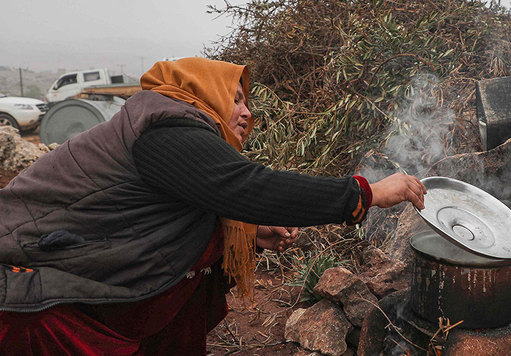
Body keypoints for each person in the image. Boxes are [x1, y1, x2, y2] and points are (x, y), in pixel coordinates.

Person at [0, 57, 426, 355]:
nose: (246, 113)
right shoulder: (165, 128)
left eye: (247, 102)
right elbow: (246, 187)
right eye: (235, 98)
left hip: (71, 283)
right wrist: (364, 194)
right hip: (37, 295)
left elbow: (166, 211)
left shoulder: (168, 127)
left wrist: (249, 232)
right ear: (201, 93)